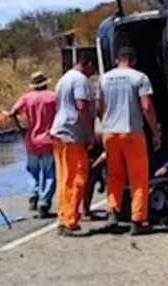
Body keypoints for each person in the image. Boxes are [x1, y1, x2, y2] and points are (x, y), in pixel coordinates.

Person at [96, 46, 160, 235]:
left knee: (114, 175)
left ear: (117, 60)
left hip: (110, 134)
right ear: (133, 61)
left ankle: (113, 212)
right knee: (138, 177)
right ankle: (138, 220)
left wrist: (106, 122)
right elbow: (147, 107)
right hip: (132, 132)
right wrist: (155, 132)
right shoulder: (139, 77)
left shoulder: (104, 78)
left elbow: (99, 107)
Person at [50, 53, 97, 237]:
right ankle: (69, 220)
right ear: (88, 64)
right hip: (72, 135)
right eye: (93, 69)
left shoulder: (64, 79)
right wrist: (90, 134)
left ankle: (63, 217)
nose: (93, 74)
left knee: (64, 179)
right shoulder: (80, 80)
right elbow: (82, 106)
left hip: (59, 133)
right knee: (77, 178)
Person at [5, 71, 57, 218]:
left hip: (31, 140)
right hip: (48, 139)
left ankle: (33, 194)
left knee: (32, 170)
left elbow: (12, 112)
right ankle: (45, 202)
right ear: (45, 83)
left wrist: (21, 129)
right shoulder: (52, 97)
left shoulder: (26, 98)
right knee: (50, 173)